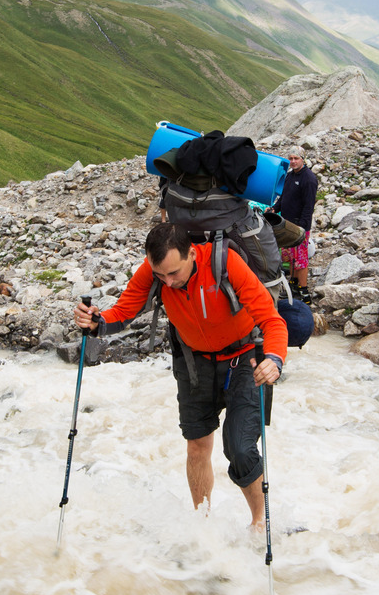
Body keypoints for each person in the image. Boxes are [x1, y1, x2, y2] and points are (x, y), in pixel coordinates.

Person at [74, 222, 288, 528]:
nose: (168, 282)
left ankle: (260, 522)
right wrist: (95, 322)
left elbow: (272, 320)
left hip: (243, 361)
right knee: (197, 446)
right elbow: (122, 313)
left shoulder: (224, 262)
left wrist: (274, 359)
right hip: (193, 364)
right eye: (160, 275)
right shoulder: (154, 272)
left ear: (192, 254)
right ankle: (203, 524)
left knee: (240, 448)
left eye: (173, 273)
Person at [277, 147, 320, 303]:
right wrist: (274, 209)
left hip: (300, 226)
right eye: (291, 158)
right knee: (291, 258)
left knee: (301, 260)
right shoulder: (289, 176)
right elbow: (283, 198)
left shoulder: (309, 179)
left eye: (296, 158)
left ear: (303, 159)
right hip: (287, 224)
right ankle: (294, 286)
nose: (293, 161)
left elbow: (309, 206)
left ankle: (304, 292)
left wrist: (302, 226)